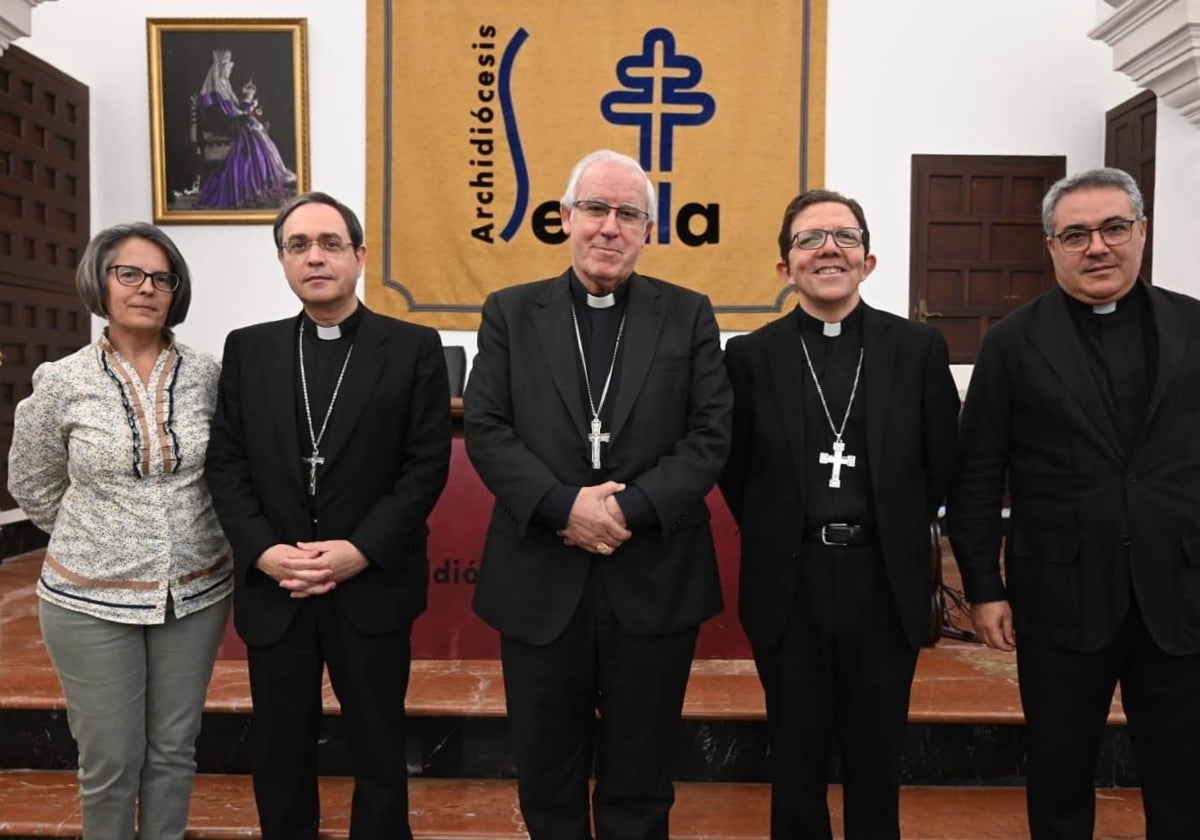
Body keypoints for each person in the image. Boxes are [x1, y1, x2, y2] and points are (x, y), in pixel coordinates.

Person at [464, 148, 733, 839]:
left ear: (648, 229)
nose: (609, 228)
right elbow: (486, 429)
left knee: (641, 780)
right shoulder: (511, 314)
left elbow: (709, 436)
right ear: (564, 218)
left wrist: (624, 511)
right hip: (539, 580)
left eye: (628, 214)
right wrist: (565, 507)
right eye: (595, 210)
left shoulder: (689, 316)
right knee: (546, 778)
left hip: (652, 580)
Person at [948, 167, 1200, 839]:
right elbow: (977, 474)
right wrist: (983, 585)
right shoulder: (1013, 342)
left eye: (1114, 228)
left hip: (1179, 591)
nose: (1098, 247)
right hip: (1060, 595)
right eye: (1077, 234)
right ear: (1052, 245)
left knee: (1186, 777)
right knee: (1060, 776)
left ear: (1141, 232)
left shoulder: (1193, 327)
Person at [204, 192, 451, 839]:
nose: (315, 257)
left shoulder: (413, 348)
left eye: (330, 243)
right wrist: (263, 551)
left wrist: (359, 550)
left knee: (377, 747)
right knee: (280, 752)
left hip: (369, 586)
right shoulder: (249, 351)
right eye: (298, 245)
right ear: (283, 260)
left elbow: (424, 468)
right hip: (276, 585)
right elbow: (226, 465)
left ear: (360, 255)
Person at [719, 190, 959, 839]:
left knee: (876, 755)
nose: (829, 248)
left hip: (884, 580)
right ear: (783, 268)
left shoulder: (916, 348)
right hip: (789, 581)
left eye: (844, 237)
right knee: (794, 756)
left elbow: (941, 463)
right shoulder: (749, 357)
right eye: (809, 239)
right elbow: (736, 471)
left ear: (869, 259)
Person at [7, 222, 232, 839]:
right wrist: (100, 538)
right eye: (128, 274)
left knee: (173, 753)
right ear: (100, 283)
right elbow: (33, 484)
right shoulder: (62, 381)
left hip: (193, 596)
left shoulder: (209, 376)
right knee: (110, 762)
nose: (146, 288)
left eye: (162, 278)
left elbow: (228, 475)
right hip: (88, 602)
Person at [194, 49, 297, 210]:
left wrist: (248, 102)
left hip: (234, 123)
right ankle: (260, 181)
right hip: (226, 127)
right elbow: (229, 115)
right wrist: (248, 103)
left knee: (255, 128)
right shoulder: (215, 92)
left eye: (229, 69)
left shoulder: (224, 87)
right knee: (253, 132)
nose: (229, 72)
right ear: (221, 70)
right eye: (227, 69)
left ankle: (265, 179)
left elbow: (236, 110)